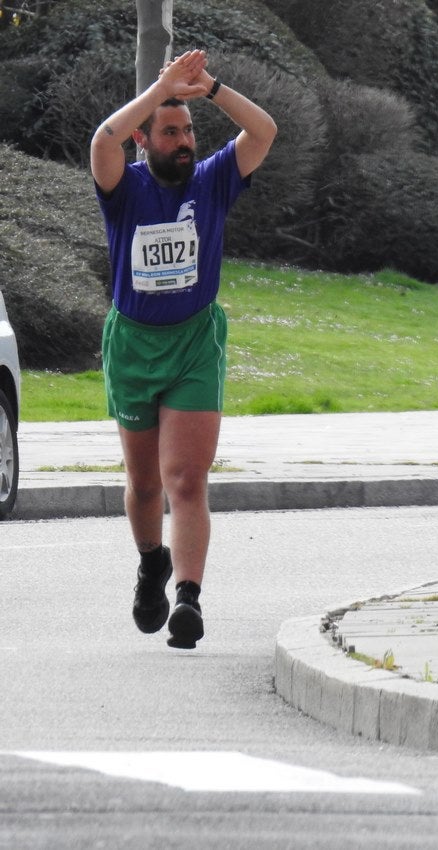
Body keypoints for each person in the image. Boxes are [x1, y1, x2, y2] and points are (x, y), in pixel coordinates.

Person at [90, 50, 276, 649]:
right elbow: (102, 139)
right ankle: (152, 563)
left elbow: (264, 131)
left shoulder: (214, 180)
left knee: (185, 480)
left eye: (189, 130)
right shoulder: (124, 186)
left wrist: (209, 88)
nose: (185, 141)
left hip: (195, 341)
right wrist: (159, 90)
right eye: (171, 132)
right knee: (146, 486)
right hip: (133, 346)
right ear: (145, 139)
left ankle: (189, 600)